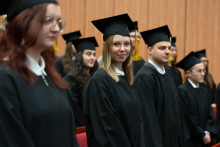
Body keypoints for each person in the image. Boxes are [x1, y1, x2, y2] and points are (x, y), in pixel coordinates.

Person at [0, 0, 79, 146]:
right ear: (23, 23)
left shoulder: (51, 76)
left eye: (59, 22)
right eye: (48, 20)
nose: (56, 28)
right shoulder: (6, 80)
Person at [83, 13, 145, 147]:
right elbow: (108, 128)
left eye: (126, 44)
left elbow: (137, 120)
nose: (123, 49)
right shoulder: (101, 80)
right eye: (116, 44)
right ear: (106, 46)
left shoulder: (127, 78)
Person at [133, 25, 187, 147]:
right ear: (150, 50)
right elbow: (148, 120)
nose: (168, 51)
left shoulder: (167, 75)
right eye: (162, 48)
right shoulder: (144, 77)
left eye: (168, 48)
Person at [176, 51, 217, 147]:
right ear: (188, 73)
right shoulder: (182, 91)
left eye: (203, 70)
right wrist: (201, 134)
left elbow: (209, 115)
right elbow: (188, 117)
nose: (202, 74)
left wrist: (207, 132)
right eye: (199, 71)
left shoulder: (204, 91)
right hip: (190, 139)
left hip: (205, 139)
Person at [64, 37, 99, 128]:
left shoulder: (96, 76)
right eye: (88, 54)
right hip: (81, 127)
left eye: (94, 55)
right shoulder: (71, 79)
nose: (92, 58)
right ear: (80, 56)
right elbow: (75, 110)